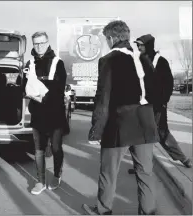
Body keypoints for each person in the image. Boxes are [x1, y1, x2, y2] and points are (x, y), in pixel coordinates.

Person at [82, 21, 159, 215]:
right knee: (145, 173)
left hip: (120, 122)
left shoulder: (109, 60)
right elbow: (156, 92)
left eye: (106, 39)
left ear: (111, 38)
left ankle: (103, 210)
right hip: (145, 121)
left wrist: (96, 129)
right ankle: (148, 212)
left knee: (109, 172)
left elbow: (103, 98)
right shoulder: (144, 59)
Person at [127, 34, 192, 172]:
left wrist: (163, 102)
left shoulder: (161, 61)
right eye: (137, 45)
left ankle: (183, 159)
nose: (138, 47)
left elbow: (168, 84)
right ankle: (140, 164)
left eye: (141, 45)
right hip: (140, 105)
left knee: (162, 134)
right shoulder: (137, 61)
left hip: (157, 105)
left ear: (148, 45)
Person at [23, 31, 68, 195]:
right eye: (36, 43)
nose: (39, 46)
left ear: (48, 42)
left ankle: (57, 174)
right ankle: (40, 181)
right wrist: (34, 88)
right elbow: (24, 86)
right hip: (37, 114)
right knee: (39, 150)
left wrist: (40, 91)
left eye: (42, 43)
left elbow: (59, 88)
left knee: (56, 148)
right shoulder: (29, 64)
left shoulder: (58, 62)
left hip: (55, 114)